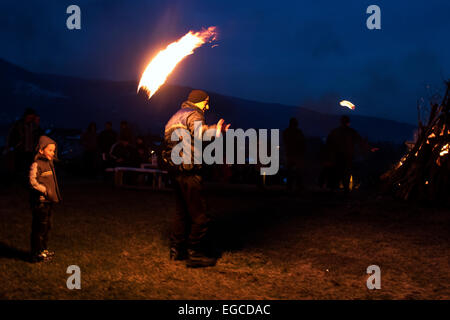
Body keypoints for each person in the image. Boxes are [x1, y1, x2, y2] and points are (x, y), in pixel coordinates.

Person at [162, 89, 229, 268]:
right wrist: (218, 130)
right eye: (206, 102)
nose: (207, 106)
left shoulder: (175, 116)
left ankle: (176, 251)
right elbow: (200, 134)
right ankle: (195, 253)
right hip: (189, 170)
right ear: (199, 101)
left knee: (181, 212)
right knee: (200, 215)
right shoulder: (194, 114)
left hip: (175, 171)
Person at [29, 136, 61, 262]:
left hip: (48, 203)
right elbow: (32, 182)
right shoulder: (36, 164)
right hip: (40, 203)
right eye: (50, 150)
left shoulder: (50, 164)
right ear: (41, 150)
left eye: (54, 151)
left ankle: (43, 250)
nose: (52, 153)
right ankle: (35, 253)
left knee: (47, 227)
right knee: (39, 229)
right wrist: (45, 190)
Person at [326, 116, 376, 193]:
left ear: (341, 122)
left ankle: (334, 190)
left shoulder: (336, 131)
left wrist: (328, 156)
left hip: (338, 157)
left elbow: (328, 144)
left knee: (337, 173)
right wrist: (370, 148)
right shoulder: (351, 132)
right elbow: (360, 141)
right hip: (346, 157)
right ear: (348, 123)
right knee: (345, 173)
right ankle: (344, 190)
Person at [6, 108, 38, 179]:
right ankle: (17, 179)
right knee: (18, 165)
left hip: (30, 149)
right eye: (29, 117)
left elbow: (36, 135)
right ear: (26, 116)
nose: (30, 119)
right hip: (20, 149)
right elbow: (12, 135)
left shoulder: (33, 125)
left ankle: (26, 179)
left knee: (28, 166)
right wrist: (13, 145)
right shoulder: (18, 124)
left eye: (32, 117)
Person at [282, 117, 306, 192]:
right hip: (296, 155)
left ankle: (290, 186)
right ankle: (298, 186)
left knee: (290, 172)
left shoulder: (287, 132)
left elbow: (285, 142)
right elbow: (302, 142)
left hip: (290, 154)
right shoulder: (298, 132)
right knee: (297, 172)